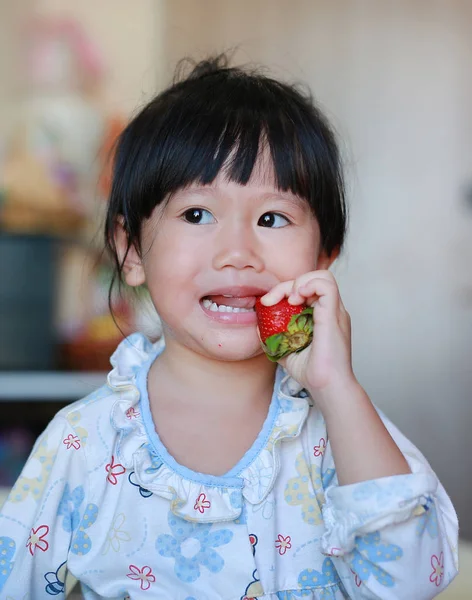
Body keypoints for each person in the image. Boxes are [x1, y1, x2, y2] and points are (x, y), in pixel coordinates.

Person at [0, 55, 458, 599]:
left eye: (272, 219)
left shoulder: (341, 430)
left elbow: (410, 584)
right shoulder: (84, 444)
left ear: (324, 253)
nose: (237, 252)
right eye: (196, 214)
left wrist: (338, 389)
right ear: (131, 251)